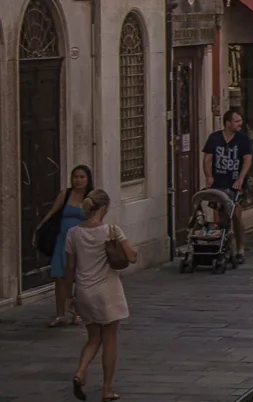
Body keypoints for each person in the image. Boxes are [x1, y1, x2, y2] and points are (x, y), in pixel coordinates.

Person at [67, 189, 136, 402]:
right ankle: (106, 389)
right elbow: (132, 257)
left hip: (84, 290)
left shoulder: (73, 233)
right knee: (110, 339)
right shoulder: (112, 230)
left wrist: (71, 295)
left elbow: (70, 268)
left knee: (93, 338)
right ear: (104, 208)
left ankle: (80, 372)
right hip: (107, 290)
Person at [33, 165, 92, 327]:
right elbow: (52, 212)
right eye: (75, 177)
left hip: (81, 242)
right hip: (62, 241)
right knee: (60, 277)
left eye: (82, 177)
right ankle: (60, 314)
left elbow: (96, 220)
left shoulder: (91, 198)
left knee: (79, 278)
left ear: (88, 179)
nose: (78, 180)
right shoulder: (65, 194)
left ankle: (78, 313)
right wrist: (39, 229)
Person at [202, 109, 253, 262]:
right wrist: (209, 176)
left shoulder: (243, 139)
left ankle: (240, 249)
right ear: (227, 123)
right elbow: (207, 159)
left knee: (236, 215)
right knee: (223, 216)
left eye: (240, 121)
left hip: (235, 185)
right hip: (219, 182)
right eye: (236, 121)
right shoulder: (214, 138)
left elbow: (247, 160)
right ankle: (222, 245)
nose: (240, 124)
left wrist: (240, 179)